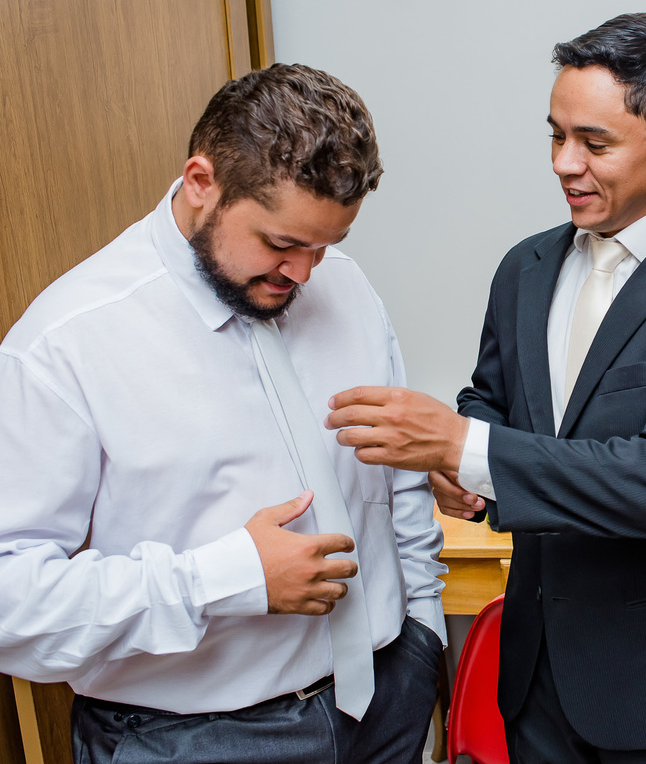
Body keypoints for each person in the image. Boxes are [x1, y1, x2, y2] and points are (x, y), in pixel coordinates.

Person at [327, 13, 646, 763]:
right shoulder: (526, 267)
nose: (564, 163)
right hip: (537, 675)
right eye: (556, 135)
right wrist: (465, 473)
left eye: (595, 143)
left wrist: (467, 444)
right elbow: (493, 397)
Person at [0, 63, 447, 764]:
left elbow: (395, 483)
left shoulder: (347, 288)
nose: (304, 273)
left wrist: (424, 638)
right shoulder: (65, 344)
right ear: (202, 182)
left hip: (384, 701)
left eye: (325, 245)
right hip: (192, 738)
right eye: (279, 243)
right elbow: (9, 601)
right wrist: (225, 580)